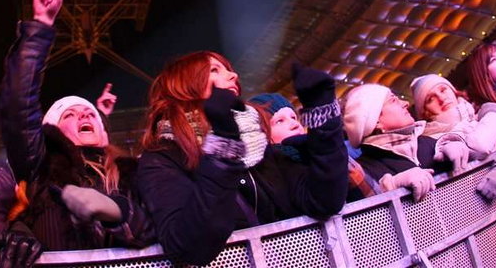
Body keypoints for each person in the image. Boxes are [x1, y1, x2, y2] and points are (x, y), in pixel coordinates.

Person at [138, 55, 348, 265]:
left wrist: (324, 119)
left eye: (229, 69)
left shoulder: (258, 142)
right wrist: (223, 149)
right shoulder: (161, 158)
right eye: (215, 70)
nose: (233, 75)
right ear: (184, 85)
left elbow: (323, 202)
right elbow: (189, 248)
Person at [0, 0, 154, 257]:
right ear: (51, 130)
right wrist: (41, 26)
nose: (83, 114)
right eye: (69, 114)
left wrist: (120, 215)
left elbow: (159, 231)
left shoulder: (134, 172)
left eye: (89, 113)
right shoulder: (41, 167)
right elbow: (17, 107)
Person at [411, 74, 496, 200]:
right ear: (425, 112)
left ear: (453, 91)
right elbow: (480, 146)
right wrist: (492, 114)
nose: (441, 98)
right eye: (430, 99)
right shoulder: (436, 141)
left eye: (443, 89)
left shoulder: (478, 120)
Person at [250, 88, 379, 202]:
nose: (295, 124)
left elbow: (373, 196)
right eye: (279, 121)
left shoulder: (319, 155)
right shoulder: (269, 176)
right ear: (262, 134)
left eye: (293, 117)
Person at [342, 84, 453, 202]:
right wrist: (391, 189)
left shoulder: (431, 142)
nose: (406, 103)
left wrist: (466, 148)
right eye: (393, 100)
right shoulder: (367, 172)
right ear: (376, 121)